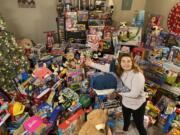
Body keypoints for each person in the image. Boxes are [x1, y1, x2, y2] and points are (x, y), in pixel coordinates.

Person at [85, 53, 147, 135]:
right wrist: (91, 64)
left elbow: (134, 94)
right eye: (123, 61)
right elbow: (106, 68)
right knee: (126, 118)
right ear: (120, 63)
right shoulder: (120, 71)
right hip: (126, 102)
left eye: (128, 61)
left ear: (132, 62)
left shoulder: (138, 75)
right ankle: (125, 130)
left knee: (139, 125)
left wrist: (118, 92)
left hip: (138, 104)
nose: (126, 64)